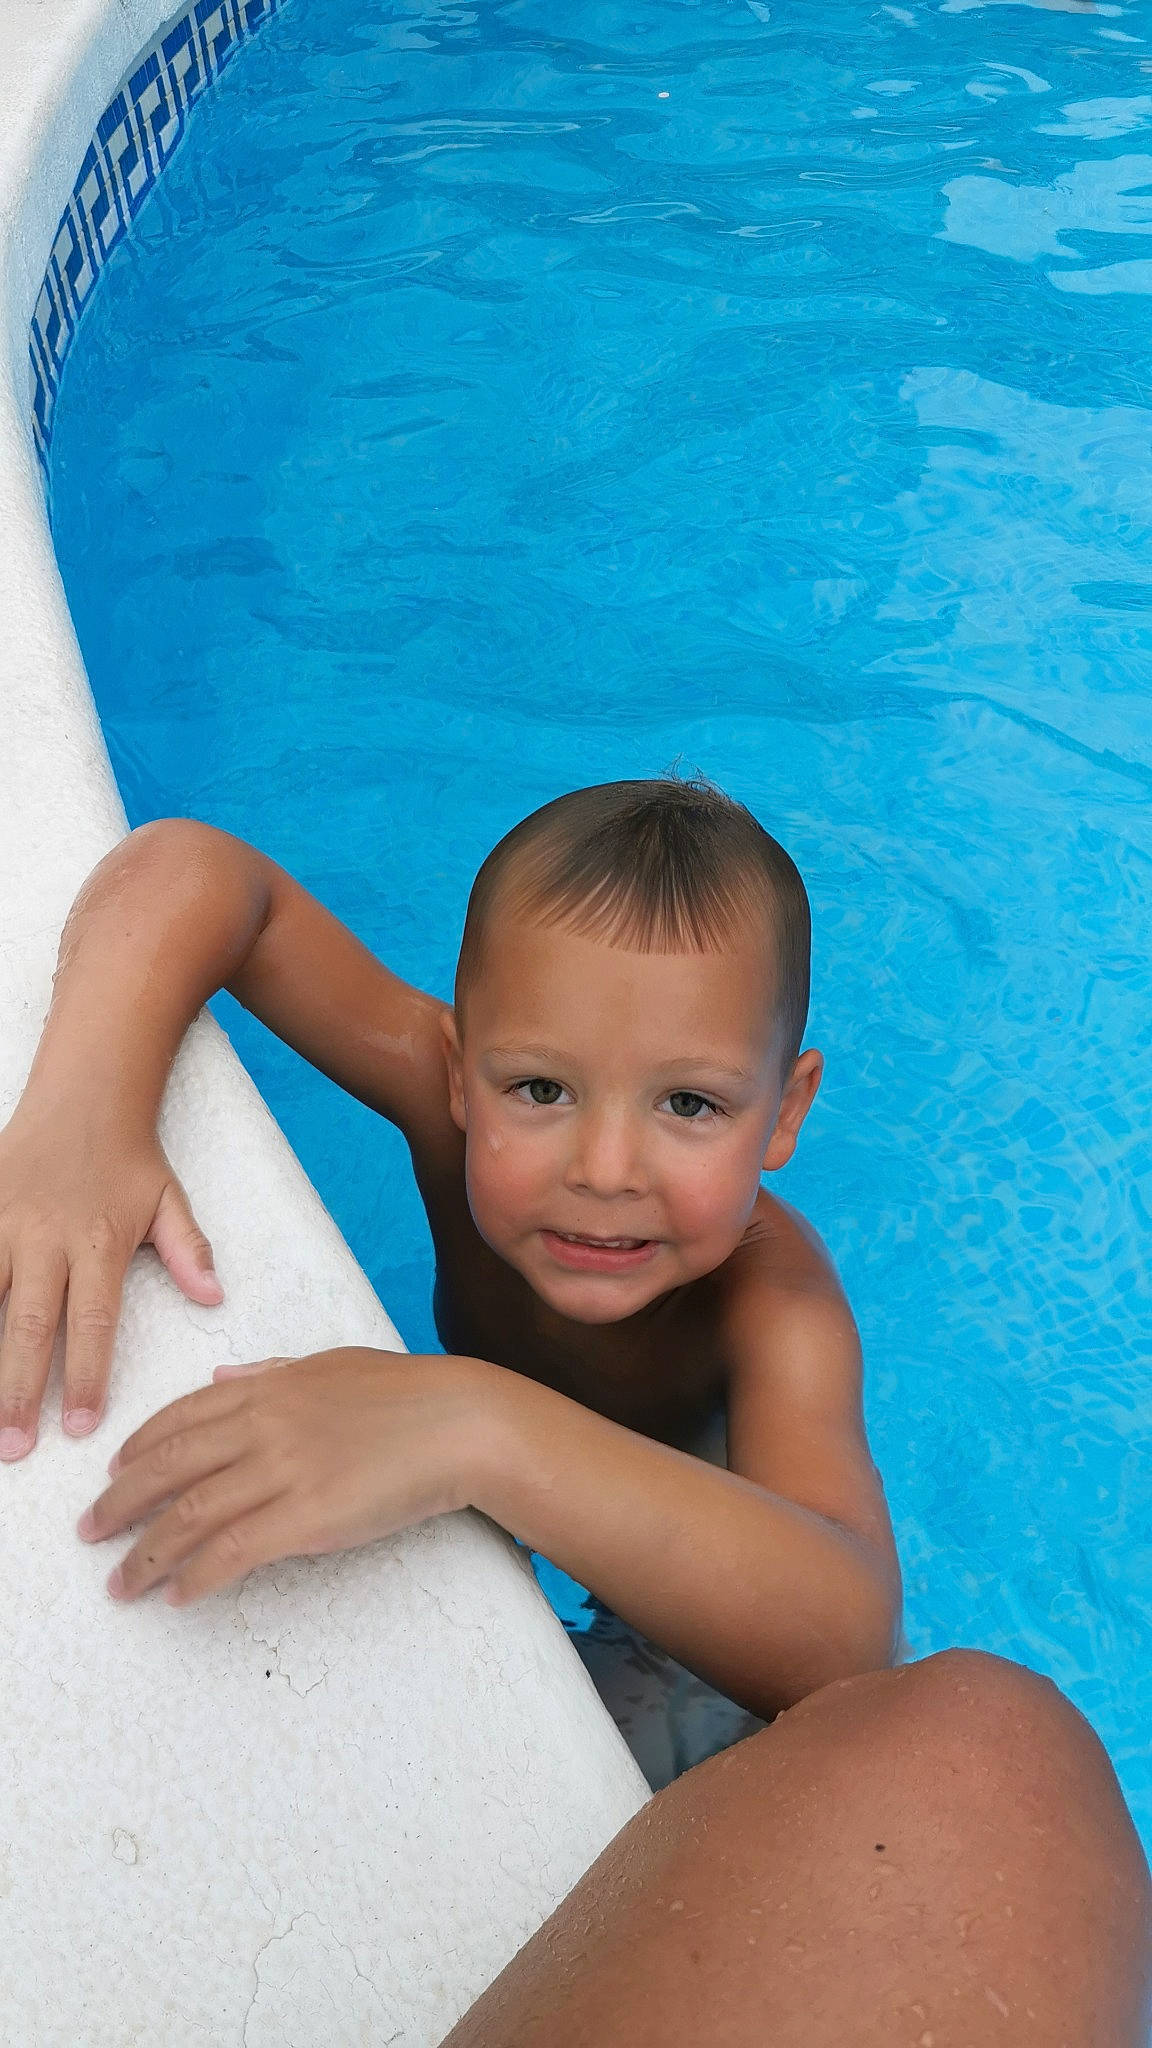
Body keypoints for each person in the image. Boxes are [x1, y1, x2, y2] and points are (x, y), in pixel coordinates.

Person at [0, 777, 1149, 2043]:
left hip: (698, 1636)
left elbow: (842, 1639)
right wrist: (82, 1112)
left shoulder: (776, 1308)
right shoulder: (440, 1105)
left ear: (786, 1109)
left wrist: (476, 1425)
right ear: (458, 1070)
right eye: (541, 1089)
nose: (605, 1169)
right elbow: (208, 874)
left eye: (691, 1104)